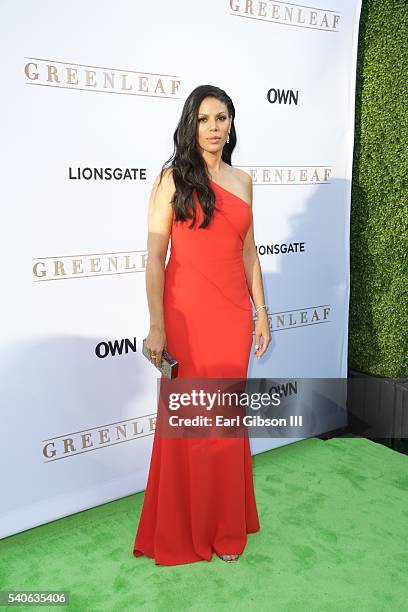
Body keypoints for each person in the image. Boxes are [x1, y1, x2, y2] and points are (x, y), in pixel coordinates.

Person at [133, 84, 271, 566]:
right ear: (191, 124)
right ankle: (186, 527)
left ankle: (225, 527)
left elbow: (249, 252)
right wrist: (157, 327)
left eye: (223, 118)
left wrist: (262, 312)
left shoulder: (244, 181)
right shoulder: (173, 179)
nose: (215, 128)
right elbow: (154, 257)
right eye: (206, 119)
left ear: (232, 124)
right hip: (186, 316)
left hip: (232, 316)